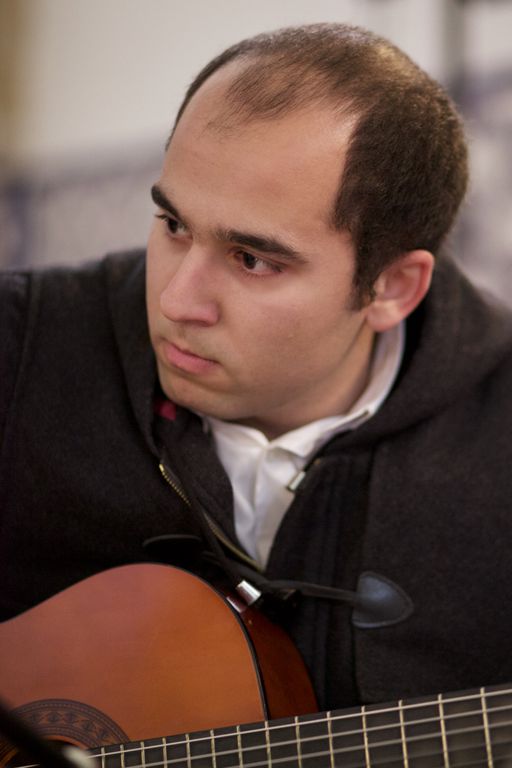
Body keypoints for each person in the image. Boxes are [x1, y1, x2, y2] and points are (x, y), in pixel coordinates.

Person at [1, 23, 512, 715]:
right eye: (174, 225)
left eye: (251, 260)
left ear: (392, 288)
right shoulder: (22, 342)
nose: (176, 302)